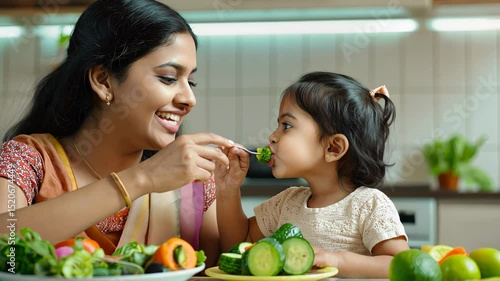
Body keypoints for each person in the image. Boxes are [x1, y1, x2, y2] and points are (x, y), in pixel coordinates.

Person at [0, 0, 235, 268]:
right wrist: (142, 178)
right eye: (169, 78)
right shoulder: (29, 160)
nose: (189, 98)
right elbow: (6, 246)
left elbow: (226, 268)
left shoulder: (194, 183)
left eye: (190, 81)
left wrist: (230, 196)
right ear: (103, 81)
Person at [215, 72, 410, 278]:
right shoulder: (286, 203)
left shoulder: (368, 204)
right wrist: (228, 191)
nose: (272, 136)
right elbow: (238, 247)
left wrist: (336, 260)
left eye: (287, 126)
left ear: (333, 147)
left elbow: (399, 264)